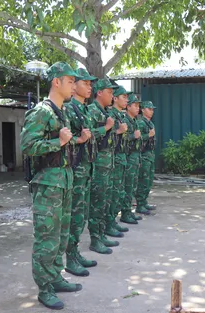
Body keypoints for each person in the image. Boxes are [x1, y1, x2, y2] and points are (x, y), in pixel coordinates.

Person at [20, 62, 85, 310]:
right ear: (56, 82)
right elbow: (27, 146)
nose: (74, 85)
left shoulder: (62, 112)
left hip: (64, 181)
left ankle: (56, 277)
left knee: (61, 236)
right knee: (46, 238)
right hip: (48, 183)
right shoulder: (41, 112)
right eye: (70, 81)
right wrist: (57, 142)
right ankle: (44, 288)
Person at [63, 68, 97, 277]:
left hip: (86, 169)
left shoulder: (84, 110)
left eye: (90, 84)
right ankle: (70, 258)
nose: (89, 87)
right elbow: (66, 138)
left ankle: (75, 253)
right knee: (74, 215)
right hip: (75, 169)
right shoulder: (68, 109)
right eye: (86, 83)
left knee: (81, 214)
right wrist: (80, 140)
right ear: (74, 86)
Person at [87, 78, 121, 253]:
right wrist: (106, 128)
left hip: (108, 164)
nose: (112, 96)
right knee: (97, 203)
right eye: (109, 92)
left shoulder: (105, 111)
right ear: (99, 92)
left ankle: (100, 235)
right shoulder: (92, 111)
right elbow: (87, 135)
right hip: (98, 164)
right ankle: (95, 239)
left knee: (105, 201)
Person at [106, 86, 132, 237]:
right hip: (113, 158)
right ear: (115, 98)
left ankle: (112, 221)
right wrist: (118, 132)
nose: (126, 100)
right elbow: (106, 139)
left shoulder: (121, 116)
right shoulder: (110, 115)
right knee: (112, 193)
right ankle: (108, 224)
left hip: (121, 158)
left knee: (118, 192)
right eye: (124, 97)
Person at [121, 94, 143, 224]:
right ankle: (125, 213)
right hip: (128, 158)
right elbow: (121, 138)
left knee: (132, 186)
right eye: (135, 105)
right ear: (128, 106)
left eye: (138, 106)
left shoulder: (134, 120)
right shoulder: (125, 120)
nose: (137, 108)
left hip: (135, 158)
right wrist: (132, 136)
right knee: (127, 187)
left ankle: (128, 211)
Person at [136, 101, 157, 215]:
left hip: (150, 155)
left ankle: (144, 202)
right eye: (149, 109)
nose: (151, 111)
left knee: (148, 181)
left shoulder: (150, 123)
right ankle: (140, 204)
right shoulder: (141, 123)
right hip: (144, 155)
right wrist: (148, 135)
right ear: (143, 110)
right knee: (143, 180)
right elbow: (137, 139)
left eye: (152, 109)